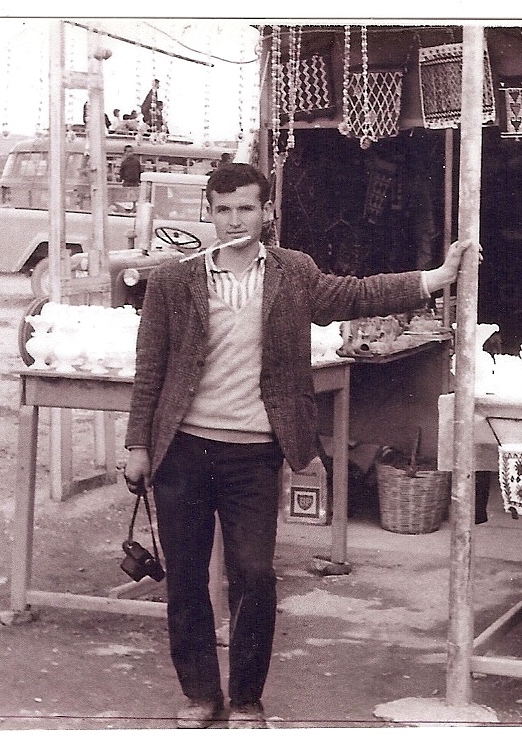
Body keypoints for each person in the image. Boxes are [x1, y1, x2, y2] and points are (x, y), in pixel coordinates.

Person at [123, 162, 477, 729]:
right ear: (208, 214)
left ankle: (245, 698)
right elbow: (150, 370)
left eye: (246, 209)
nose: (234, 220)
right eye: (222, 209)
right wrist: (138, 443)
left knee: (254, 576)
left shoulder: (294, 273)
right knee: (187, 578)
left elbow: (358, 294)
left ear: (267, 214)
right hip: (184, 451)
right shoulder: (173, 281)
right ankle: (198, 694)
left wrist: (435, 278)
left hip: (256, 452)